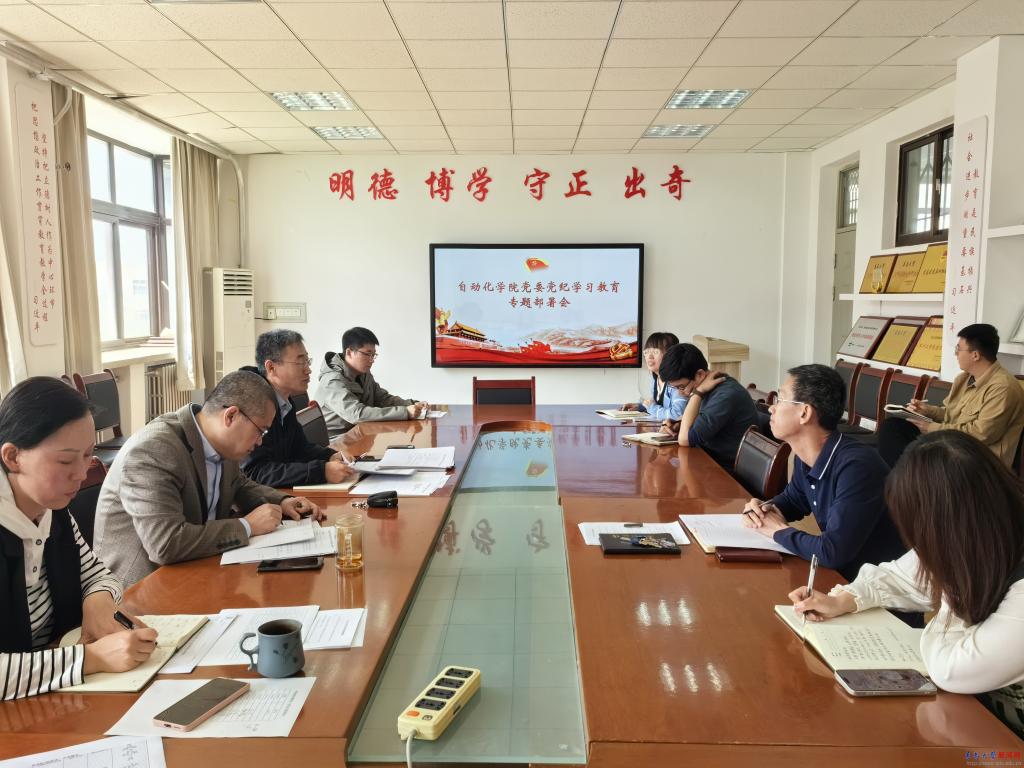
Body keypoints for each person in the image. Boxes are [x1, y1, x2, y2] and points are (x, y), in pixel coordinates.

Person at [789, 431, 1024, 738]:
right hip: (971, 717)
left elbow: (950, 669)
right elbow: (898, 577)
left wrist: (951, 585)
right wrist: (843, 600)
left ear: (949, 525)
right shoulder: (981, 535)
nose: (920, 545)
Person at [0, 377, 157, 699]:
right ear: (13, 457)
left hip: (53, 693)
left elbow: (98, 573)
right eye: (65, 460)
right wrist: (92, 659)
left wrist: (97, 600)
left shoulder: (52, 509)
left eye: (88, 455)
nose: (82, 474)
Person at [94, 370, 324, 588]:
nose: (260, 442)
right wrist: (246, 526)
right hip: (145, 588)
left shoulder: (219, 441)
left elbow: (238, 484)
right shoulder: (154, 450)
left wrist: (282, 501)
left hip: (198, 568)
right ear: (231, 416)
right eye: (260, 431)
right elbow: (165, 544)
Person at [742, 364, 905, 581]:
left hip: (880, 590)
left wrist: (777, 530)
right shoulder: (806, 457)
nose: (771, 408)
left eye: (780, 399)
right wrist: (763, 510)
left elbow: (832, 552)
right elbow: (793, 500)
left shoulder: (857, 467)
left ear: (805, 412)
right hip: (846, 581)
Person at [877, 323, 1024, 468]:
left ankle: (910, 478)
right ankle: (909, 478)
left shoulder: (1003, 388)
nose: (955, 354)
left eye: (958, 349)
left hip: (975, 459)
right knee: (892, 427)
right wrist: (927, 410)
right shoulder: (963, 379)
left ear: (975, 355)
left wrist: (931, 428)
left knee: (905, 453)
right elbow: (949, 413)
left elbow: (981, 434)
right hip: (951, 444)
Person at [241, 329, 356, 488]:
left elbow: (299, 448)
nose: (308, 369)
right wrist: (321, 471)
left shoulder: (284, 400)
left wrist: (330, 455)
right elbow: (256, 472)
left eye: (307, 361)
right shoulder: (252, 404)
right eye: (300, 362)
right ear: (271, 367)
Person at [657, 343, 758, 467]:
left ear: (699, 374)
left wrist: (697, 393)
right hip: (707, 459)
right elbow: (694, 424)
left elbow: (685, 439)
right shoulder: (707, 389)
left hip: (726, 471)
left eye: (681, 387)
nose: (679, 392)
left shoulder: (724, 395)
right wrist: (677, 424)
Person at [317, 327, 426, 437]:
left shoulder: (363, 373)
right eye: (367, 354)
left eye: (373, 354)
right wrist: (405, 412)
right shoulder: (332, 381)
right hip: (337, 440)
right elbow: (357, 414)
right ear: (349, 352)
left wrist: (411, 404)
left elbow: (382, 399)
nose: (372, 360)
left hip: (360, 433)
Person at [621, 331, 687, 420]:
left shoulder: (677, 381)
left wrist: (651, 408)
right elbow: (658, 405)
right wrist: (643, 406)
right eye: (646, 352)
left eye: (655, 352)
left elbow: (677, 414)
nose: (649, 356)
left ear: (670, 355)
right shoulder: (656, 377)